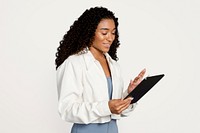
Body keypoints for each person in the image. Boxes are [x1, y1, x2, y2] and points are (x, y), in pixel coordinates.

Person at [55, 6, 146, 133]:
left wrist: (130, 94)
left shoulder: (113, 65)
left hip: (113, 129)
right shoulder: (74, 63)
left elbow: (117, 109)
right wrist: (106, 107)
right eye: (104, 33)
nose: (110, 38)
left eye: (113, 33)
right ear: (90, 32)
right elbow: (67, 109)